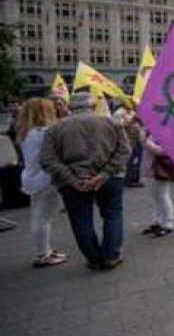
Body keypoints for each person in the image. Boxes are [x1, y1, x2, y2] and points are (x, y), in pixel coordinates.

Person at [39, 92, 131, 270]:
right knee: (112, 214)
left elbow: (47, 160)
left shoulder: (55, 128)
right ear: (92, 105)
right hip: (109, 179)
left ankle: (94, 258)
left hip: (72, 182)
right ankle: (111, 256)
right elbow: (124, 152)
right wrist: (103, 175)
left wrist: (73, 180)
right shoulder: (111, 122)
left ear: (70, 107)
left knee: (81, 220)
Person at [17, 98, 68, 268]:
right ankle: (42, 254)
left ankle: (45, 249)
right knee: (43, 218)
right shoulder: (43, 133)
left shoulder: (27, 132)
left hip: (32, 177)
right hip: (46, 179)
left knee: (40, 216)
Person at [140, 134, 174, 237]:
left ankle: (168, 223)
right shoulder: (151, 132)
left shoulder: (167, 132)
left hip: (161, 169)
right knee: (155, 196)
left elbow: (166, 150)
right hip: (151, 169)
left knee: (163, 195)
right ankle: (157, 221)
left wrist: (148, 144)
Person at [114, 101, 145, 188]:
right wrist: (133, 120)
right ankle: (129, 179)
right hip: (128, 140)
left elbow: (141, 123)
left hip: (137, 140)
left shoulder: (132, 111)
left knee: (137, 159)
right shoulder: (119, 112)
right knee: (131, 160)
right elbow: (119, 125)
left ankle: (135, 178)